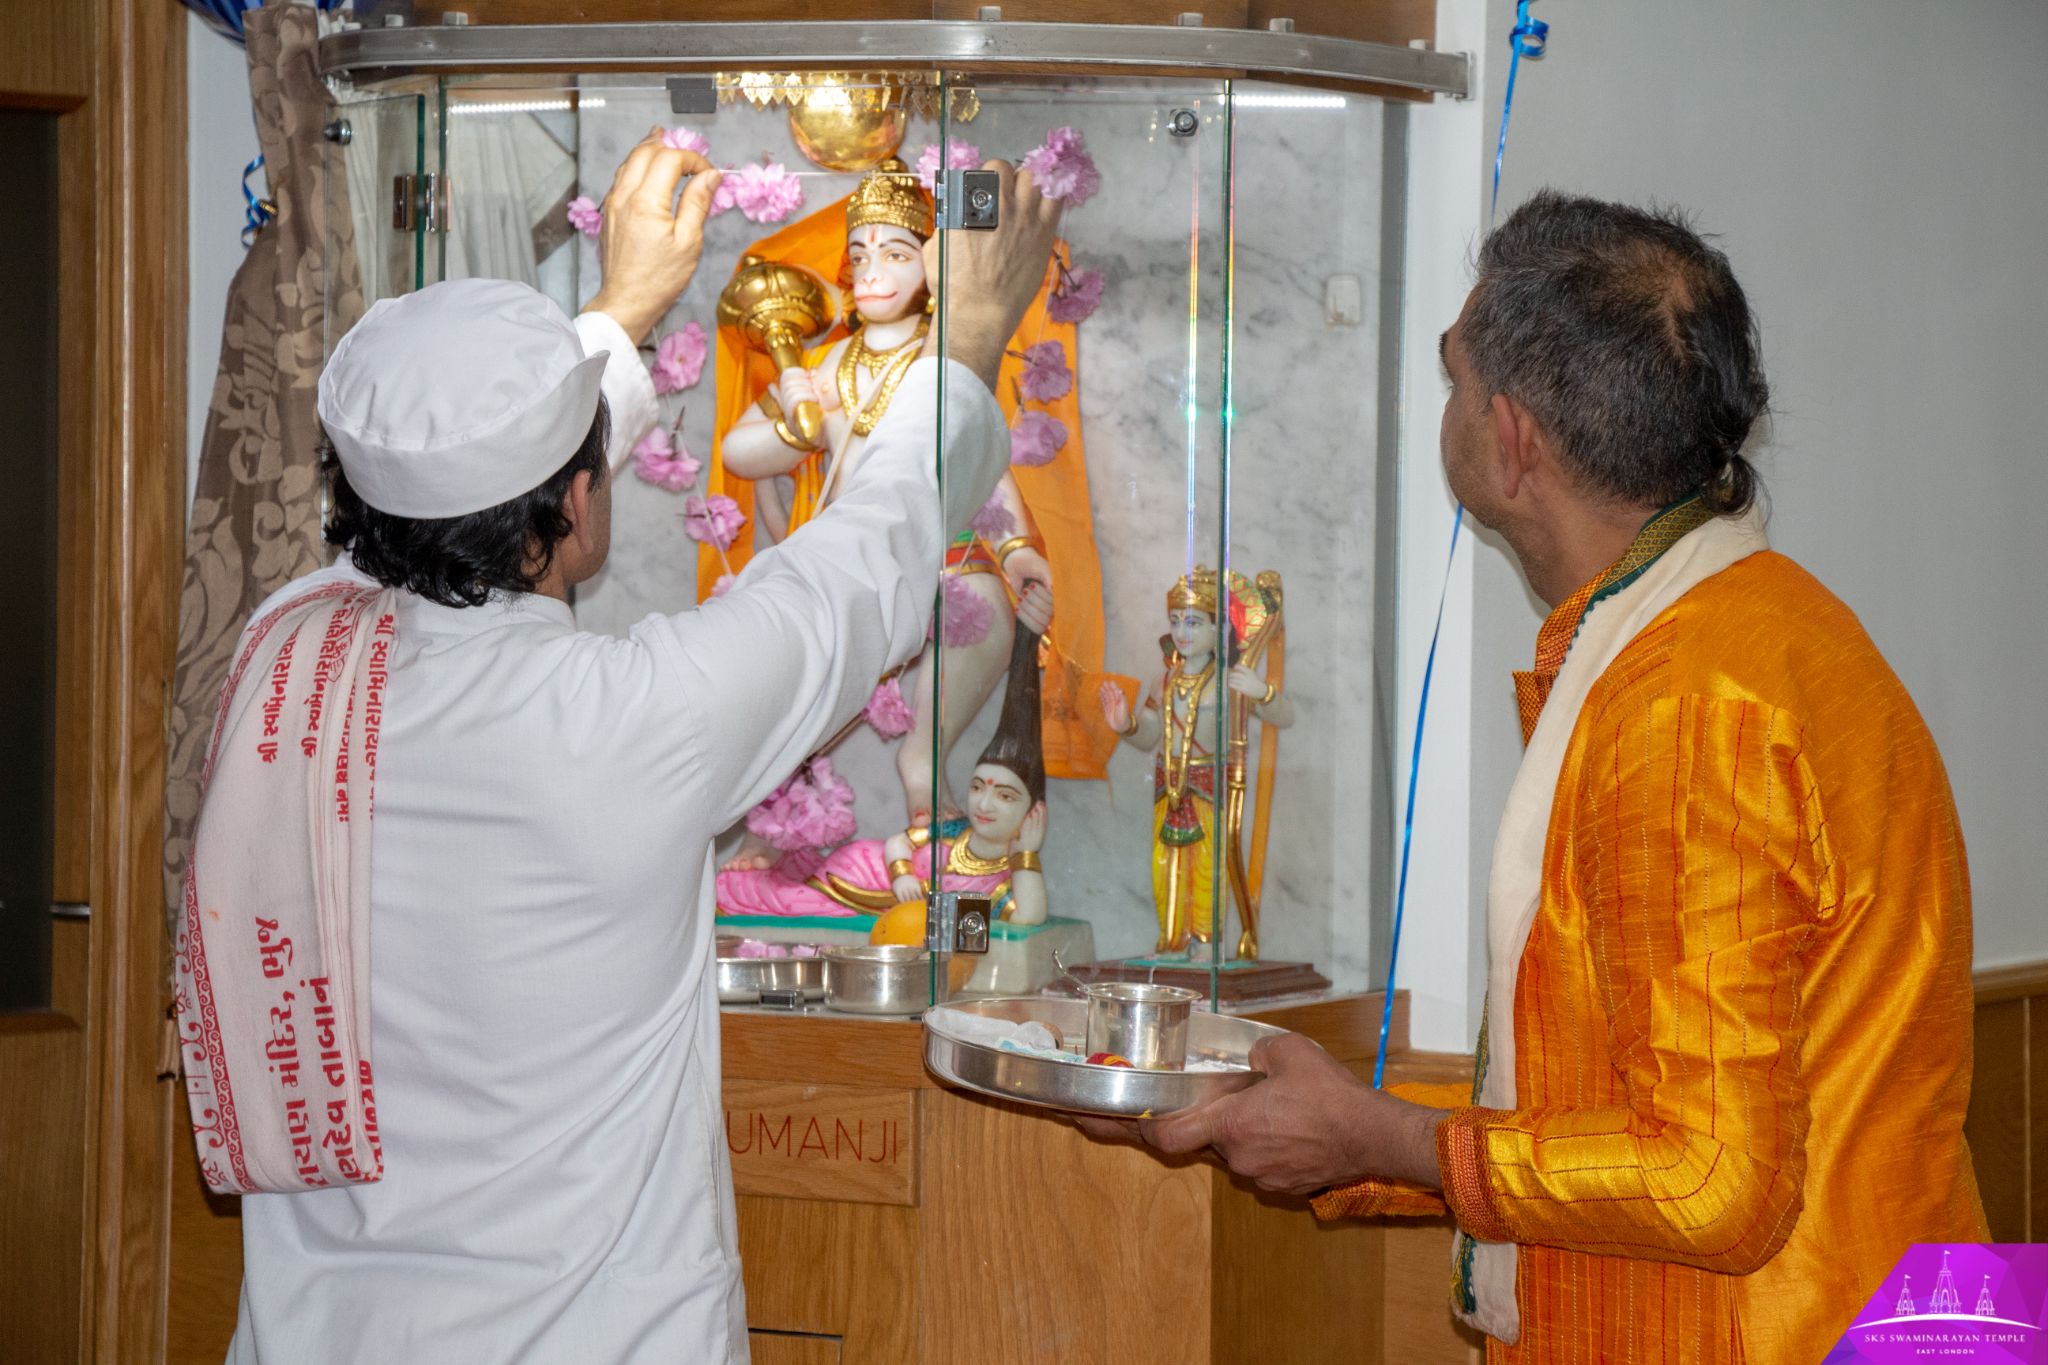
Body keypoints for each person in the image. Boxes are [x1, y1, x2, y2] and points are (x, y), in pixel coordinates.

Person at [182, 131, 1062, 1364]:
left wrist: (618, 311)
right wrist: (961, 347)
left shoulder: (287, 656)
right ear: (582, 506)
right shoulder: (620, 723)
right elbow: (857, 569)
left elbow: (443, 480)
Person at [1081, 191, 1986, 1363]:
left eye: (1454, 377)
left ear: (1510, 441)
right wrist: (1359, 1142)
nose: (1444, 406)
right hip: (1907, 1320)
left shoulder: (1693, 701)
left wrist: (1384, 1142)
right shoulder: (1768, 628)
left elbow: (1711, 1181)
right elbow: (1631, 1099)